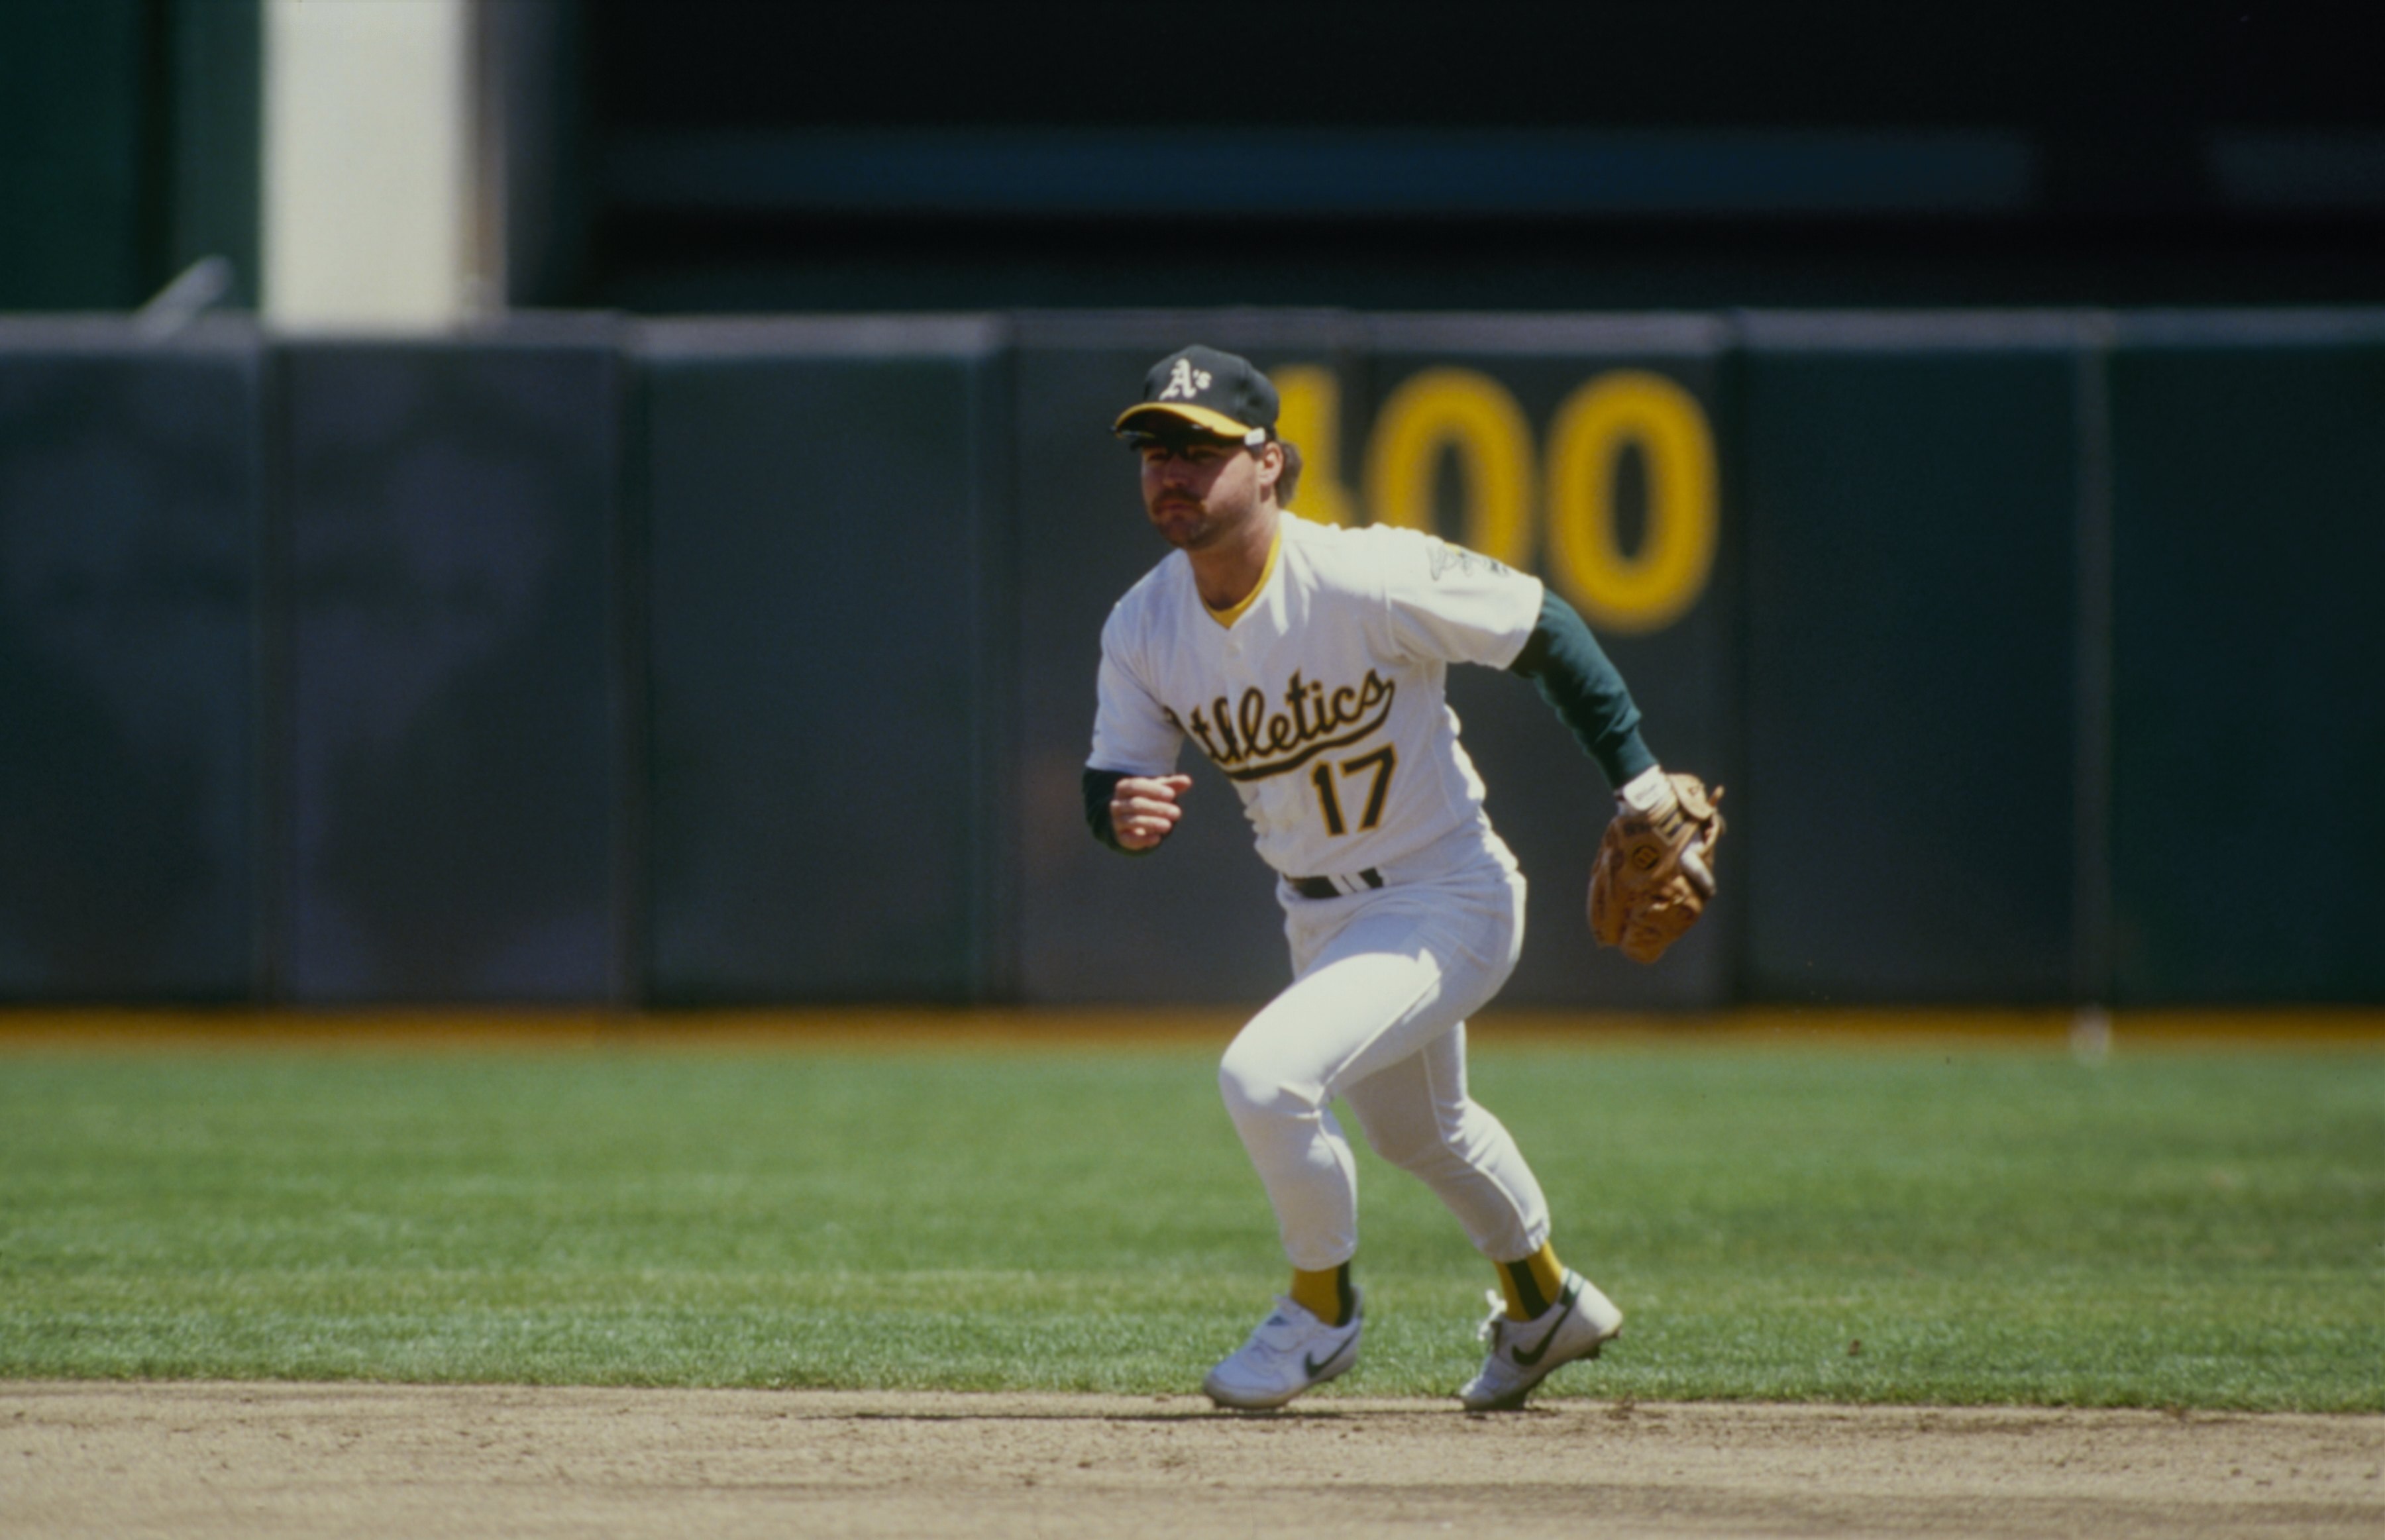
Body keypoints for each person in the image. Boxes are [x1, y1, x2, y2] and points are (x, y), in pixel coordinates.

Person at [1083, 344, 1697, 1413]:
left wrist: (1639, 779)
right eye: (1153, 450)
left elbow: (1539, 624)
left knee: (1264, 1076)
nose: (1169, 471)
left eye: (1198, 448)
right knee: (1422, 1132)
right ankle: (1547, 1304)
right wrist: (1123, 817)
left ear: (1269, 463)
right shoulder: (1143, 623)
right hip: (1317, 915)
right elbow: (1115, 778)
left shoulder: (1363, 573)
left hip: (1445, 893)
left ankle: (1320, 1313)